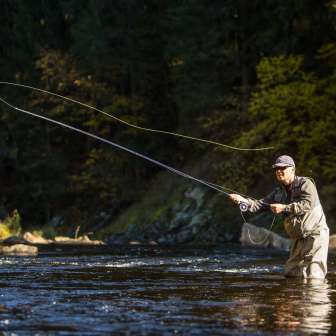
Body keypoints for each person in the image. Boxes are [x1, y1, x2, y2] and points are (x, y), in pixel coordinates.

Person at [229, 155, 329, 279]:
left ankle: (315, 298)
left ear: (292, 169)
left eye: (283, 168)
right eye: (276, 168)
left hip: (315, 234)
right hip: (298, 238)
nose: (279, 171)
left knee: (314, 275)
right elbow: (258, 205)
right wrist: (242, 201)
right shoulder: (278, 192)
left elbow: (308, 204)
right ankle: (297, 298)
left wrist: (284, 207)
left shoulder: (305, 183)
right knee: (291, 273)